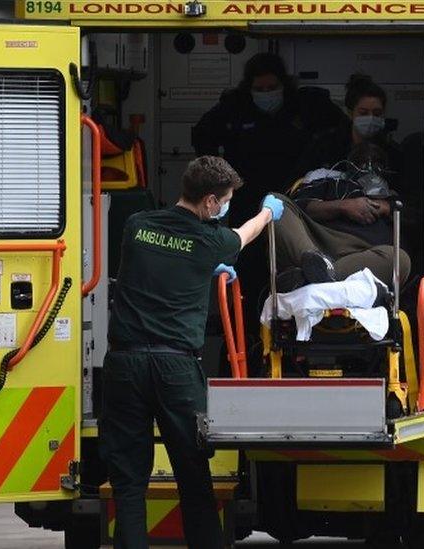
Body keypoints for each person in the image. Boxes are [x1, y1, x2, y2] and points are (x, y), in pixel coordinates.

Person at [100, 156, 284, 549]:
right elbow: (243, 234)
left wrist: (205, 269)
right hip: (175, 369)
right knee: (193, 476)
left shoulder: (138, 226)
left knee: (129, 483)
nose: (227, 206)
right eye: (227, 200)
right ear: (211, 203)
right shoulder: (208, 241)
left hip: (124, 364)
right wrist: (268, 213)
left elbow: (160, 264)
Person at [192, 53, 344, 331]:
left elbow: (340, 131)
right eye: (259, 90)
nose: (266, 94)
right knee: (249, 282)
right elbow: (202, 136)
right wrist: (220, 179)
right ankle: (245, 350)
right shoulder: (234, 108)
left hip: (294, 206)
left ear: (283, 85)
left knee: (296, 276)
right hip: (247, 205)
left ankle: (293, 345)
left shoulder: (305, 107)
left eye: (271, 88)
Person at [273, 143, 410, 288]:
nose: (369, 165)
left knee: (400, 260)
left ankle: (313, 276)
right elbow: (299, 208)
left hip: (364, 255)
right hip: (318, 243)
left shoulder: (392, 196)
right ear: (350, 163)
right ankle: (315, 262)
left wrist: (388, 207)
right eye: (361, 160)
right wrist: (343, 206)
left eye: (377, 161)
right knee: (275, 202)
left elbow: (420, 223)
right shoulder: (332, 182)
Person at [288, 74, 402, 186]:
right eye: (363, 113)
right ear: (350, 113)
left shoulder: (391, 152)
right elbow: (297, 183)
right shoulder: (325, 145)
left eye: (377, 113)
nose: (371, 118)